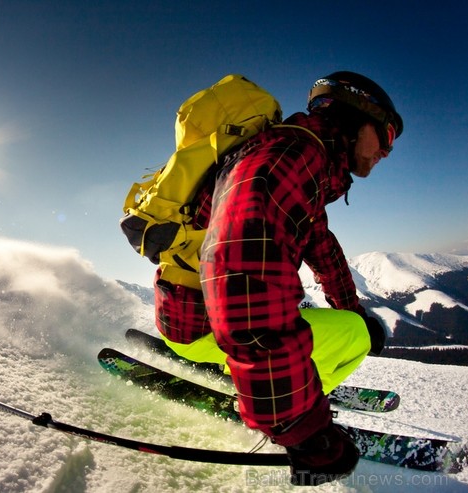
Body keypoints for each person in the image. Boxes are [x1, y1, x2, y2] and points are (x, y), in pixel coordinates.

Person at [153, 71, 401, 486]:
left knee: (351, 323)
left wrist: (351, 306)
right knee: (354, 335)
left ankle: (262, 380)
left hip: (188, 319)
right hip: (205, 329)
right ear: (355, 118)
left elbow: (322, 246)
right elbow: (242, 278)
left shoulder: (297, 159)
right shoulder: (291, 155)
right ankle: (285, 397)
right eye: (388, 136)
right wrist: (301, 429)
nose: (386, 152)